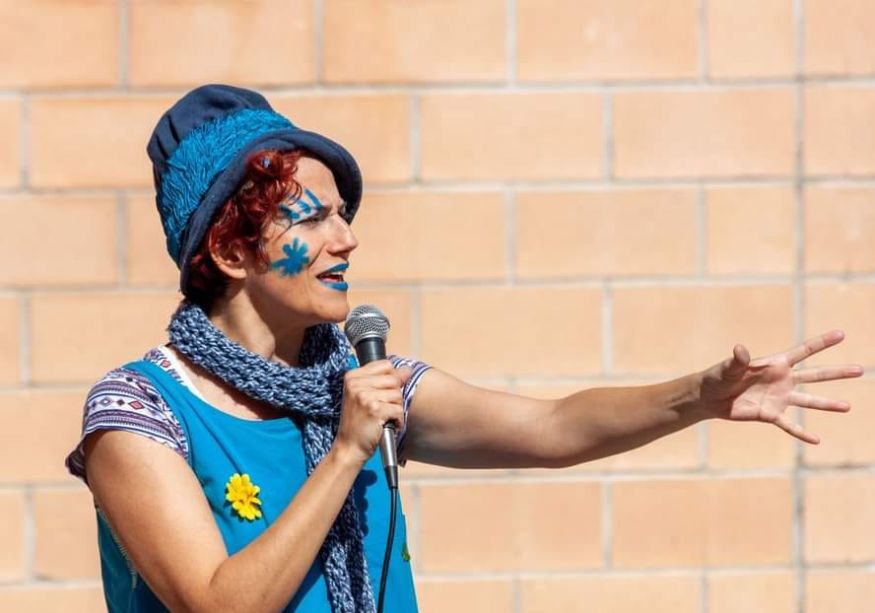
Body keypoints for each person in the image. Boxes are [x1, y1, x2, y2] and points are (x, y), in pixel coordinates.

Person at [66, 85, 862, 613]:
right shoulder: (137, 412)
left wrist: (701, 396)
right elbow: (218, 602)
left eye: (344, 212)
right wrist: (345, 452)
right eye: (310, 218)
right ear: (232, 252)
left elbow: (552, 427)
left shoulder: (362, 386)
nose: (345, 238)